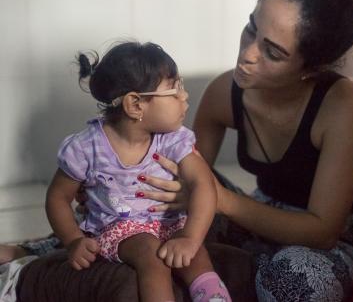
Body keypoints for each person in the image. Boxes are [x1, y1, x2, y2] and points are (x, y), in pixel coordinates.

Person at [1, 0, 353, 301]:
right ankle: (47, 249)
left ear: (311, 67)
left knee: (295, 278)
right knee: (165, 189)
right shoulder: (228, 90)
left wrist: (219, 201)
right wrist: (114, 183)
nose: (247, 55)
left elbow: (322, 231)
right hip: (254, 218)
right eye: (252, 27)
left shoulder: (340, 104)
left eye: (272, 51)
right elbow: (176, 176)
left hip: (332, 240)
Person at [44, 41, 231, 302]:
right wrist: (73, 240)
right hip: (119, 230)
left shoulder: (172, 139)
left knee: (196, 254)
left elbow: (203, 184)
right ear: (135, 104)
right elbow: (57, 198)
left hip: (171, 222)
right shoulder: (86, 148)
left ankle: (214, 298)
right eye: (174, 90)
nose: (184, 97)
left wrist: (190, 237)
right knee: (151, 254)